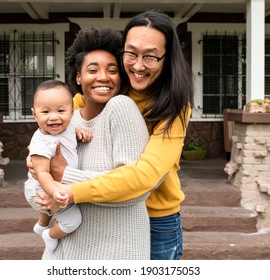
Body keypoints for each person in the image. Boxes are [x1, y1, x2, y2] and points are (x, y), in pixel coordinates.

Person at [35, 10, 194, 260]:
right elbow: (53, 132)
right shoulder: (105, 90)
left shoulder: (174, 106)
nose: (138, 65)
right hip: (102, 216)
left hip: (156, 219)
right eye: (131, 54)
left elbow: (144, 177)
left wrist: (67, 185)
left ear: (166, 58)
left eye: (150, 57)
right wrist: (38, 159)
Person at [36, 26, 151, 259]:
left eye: (112, 70)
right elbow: (35, 184)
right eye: (92, 70)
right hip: (62, 254)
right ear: (78, 77)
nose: (103, 77)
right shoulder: (66, 121)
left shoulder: (121, 108)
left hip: (115, 254)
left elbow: (136, 190)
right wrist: (50, 201)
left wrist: (64, 175)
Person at [24, 79, 92, 253]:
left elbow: (70, 132)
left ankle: (41, 225)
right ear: (34, 114)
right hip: (42, 189)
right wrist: (54, 192)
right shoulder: (41, 144)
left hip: (51, 184)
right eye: (45, 111)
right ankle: (50, 235)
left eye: (61, 111)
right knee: (72, 221)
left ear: (71, 111)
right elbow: (43, 174)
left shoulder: (66, 127)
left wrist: (78, 132)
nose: (54, 117)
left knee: (52, 210)